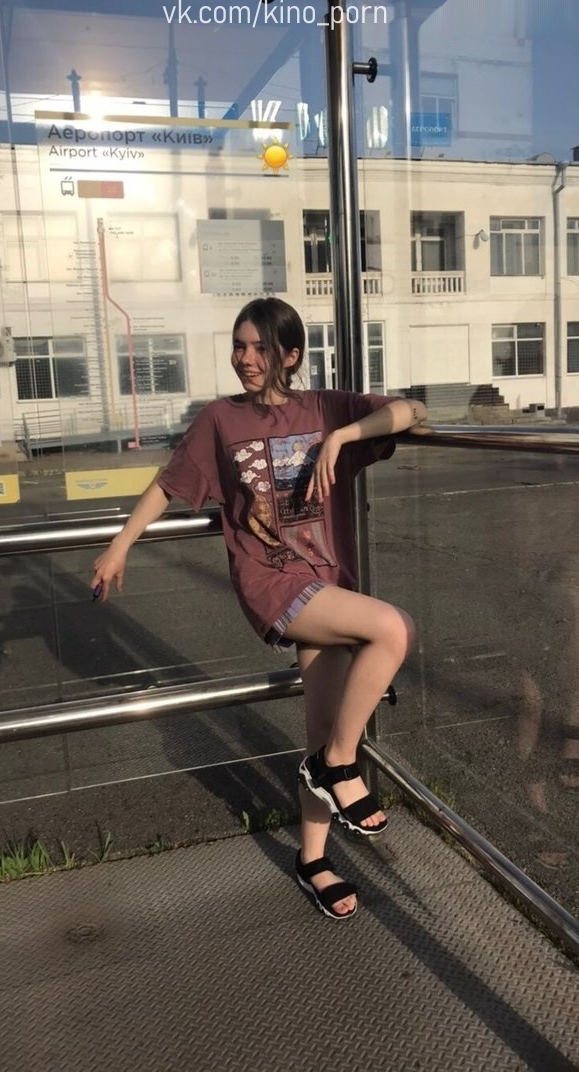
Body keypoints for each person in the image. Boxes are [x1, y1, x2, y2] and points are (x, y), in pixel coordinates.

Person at [92, 297, 427, 919]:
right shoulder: (221, 419)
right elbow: (169, 483)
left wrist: (343, 437)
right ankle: (339, 764)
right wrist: (122, 542)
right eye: (239, 346)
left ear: (290, 356)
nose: (245, 359)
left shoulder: (325, 408)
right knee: (392, 628)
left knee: (321, 729)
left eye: (260, 348)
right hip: (272, 581)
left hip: (328, 580)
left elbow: (413, 410)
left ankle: (313, 858)